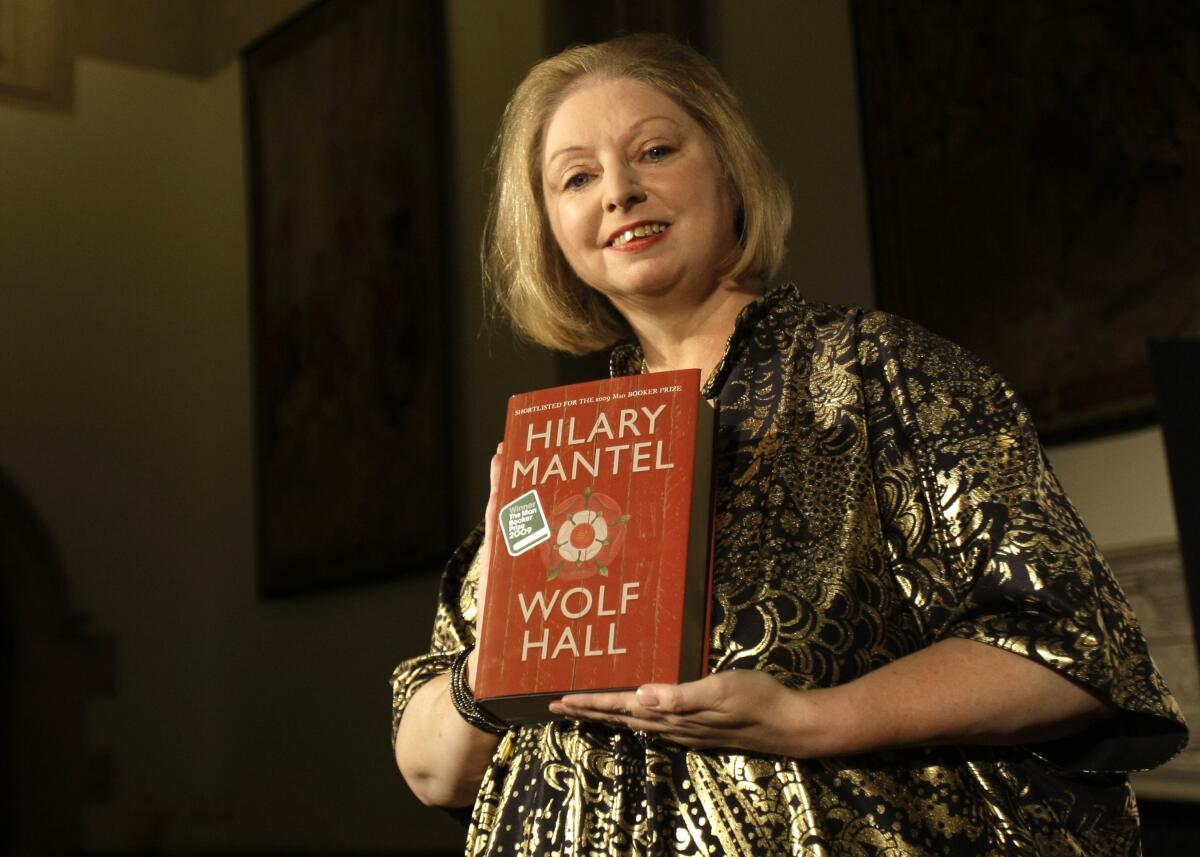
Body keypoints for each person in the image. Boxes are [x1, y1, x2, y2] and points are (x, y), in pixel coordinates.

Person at [391, 33, 1187, 855]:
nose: (620, 193)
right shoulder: (557, 451)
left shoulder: (882, 374)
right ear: (551, 225)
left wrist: (814, 720)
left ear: (729, 169)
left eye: (655, 150)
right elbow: (433, 771)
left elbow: (1073, 647)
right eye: (577, 177)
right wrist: (498, 665)